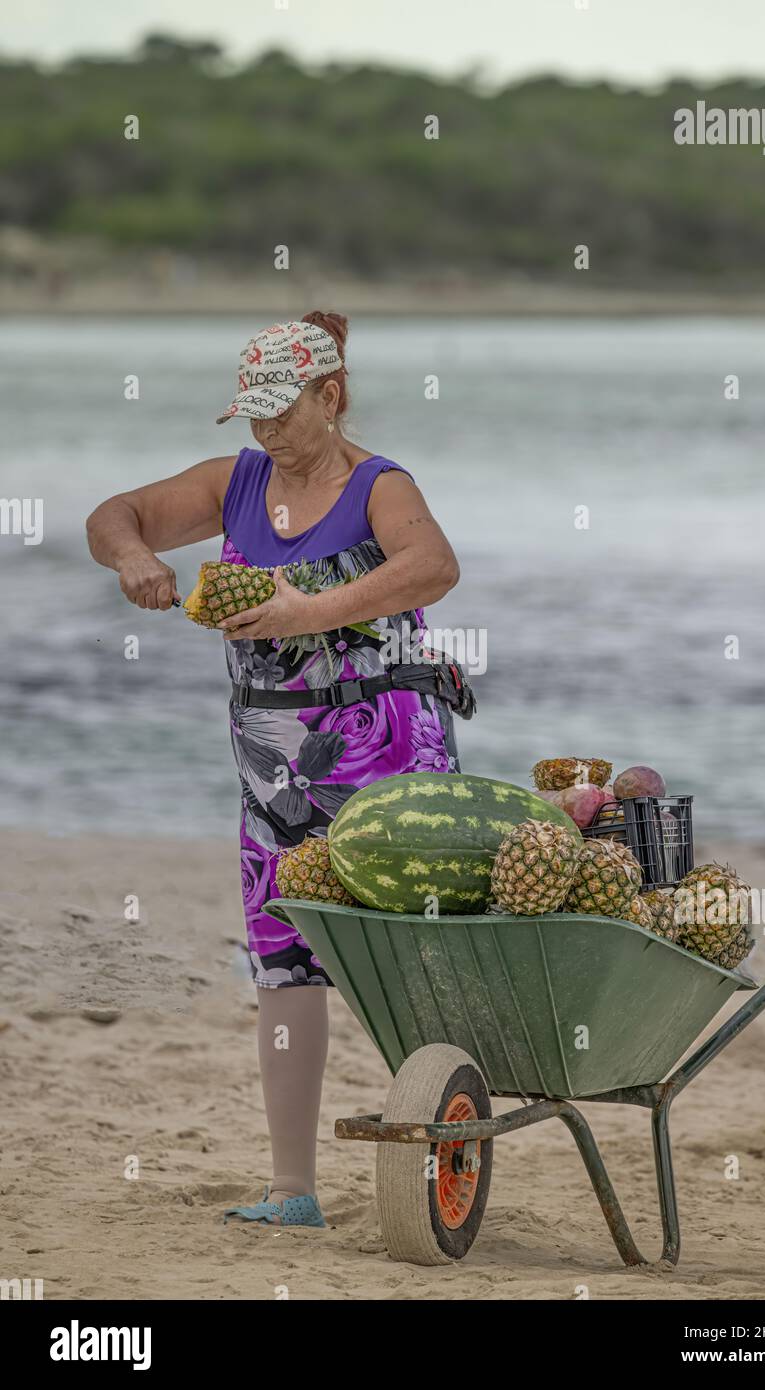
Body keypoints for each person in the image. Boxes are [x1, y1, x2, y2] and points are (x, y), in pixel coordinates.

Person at [86, 312, 464, 1227]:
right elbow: (113, 515)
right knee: (283, 966)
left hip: (388, 753)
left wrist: (313, 610)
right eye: (249, 413)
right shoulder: (238, 481)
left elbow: (433, 566)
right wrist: (135, 555)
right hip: (271, 770)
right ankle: (293, 1190)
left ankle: (441, 1162)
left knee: (413, 960)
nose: (263, 431)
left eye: (279, 412)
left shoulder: (380, 484)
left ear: (329, 397)